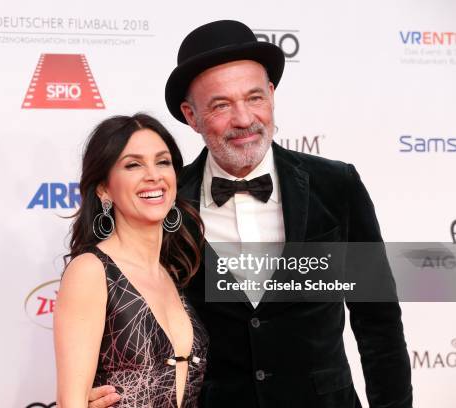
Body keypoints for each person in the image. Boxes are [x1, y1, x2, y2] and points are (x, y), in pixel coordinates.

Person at [88, 20, 413, 408]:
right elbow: (125, 315)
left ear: (272, 95)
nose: (244, 119)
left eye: (254, 98)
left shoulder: (336, 185)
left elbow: (378, 323)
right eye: (221, 105)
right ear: (191, 116)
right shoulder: (168, 201)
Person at [54, 113, 209, 407]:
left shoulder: (172, 272)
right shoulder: (91, 271)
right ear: (103, 188)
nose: (153, 175)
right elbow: (70, 401)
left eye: (162, 162)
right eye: (133, 164)